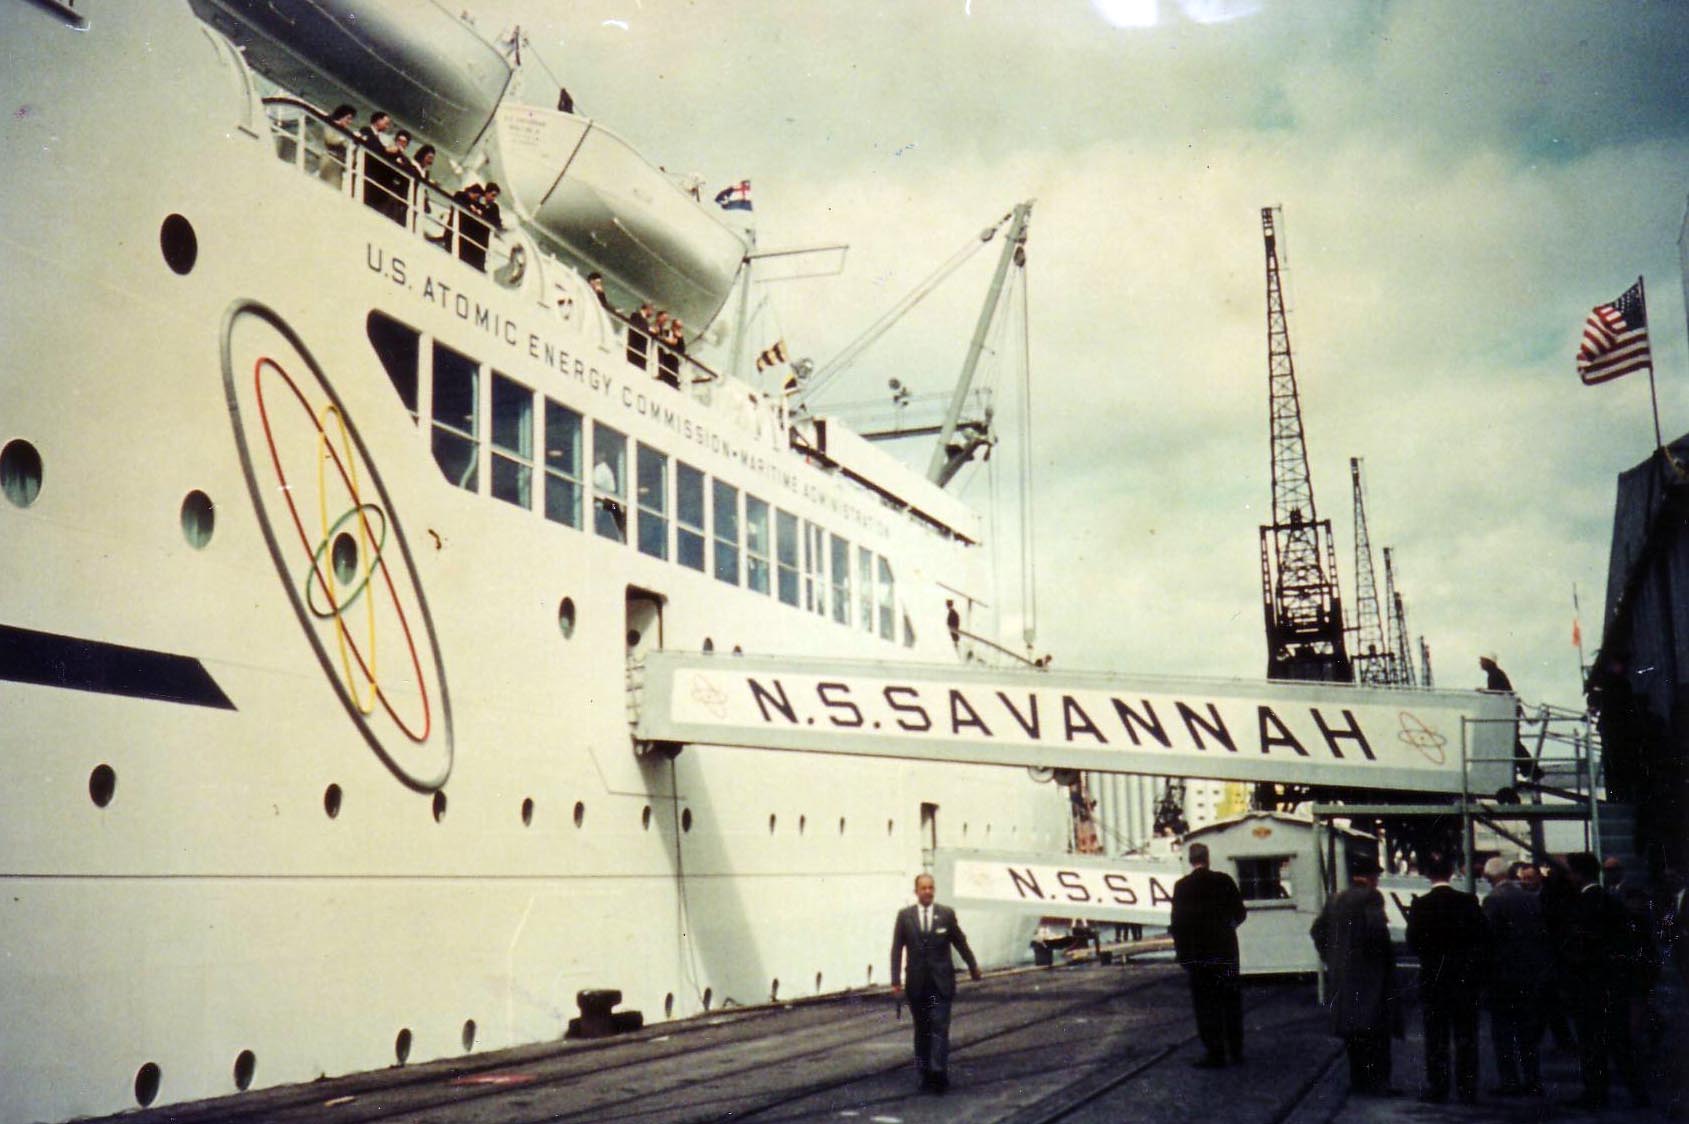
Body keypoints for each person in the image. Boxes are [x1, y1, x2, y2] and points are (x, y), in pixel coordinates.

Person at [1561, 851, 1649, 1109]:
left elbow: (1582, 946)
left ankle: (1596, 1093)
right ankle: (1637, 1092)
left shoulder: (1584, 904)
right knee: (1619, 1042)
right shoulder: (1610, 901)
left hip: (1590, 985)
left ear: (1577, 874)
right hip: (1612, 983)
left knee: (1591, 1043)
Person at [1311, 858, 1399, 1097]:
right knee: (1377, 1032)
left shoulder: (1335, 899)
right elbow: (1376, 933)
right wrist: (1379, 961)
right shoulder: (1372, 897)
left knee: (1353, 1032)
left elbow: (1317, 931)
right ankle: (1379, 1083)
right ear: (1371, 877)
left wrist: (1333, 957)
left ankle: (1358, 1081)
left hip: (1344, 977)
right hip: (1370, 976)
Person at [1406, 851, 1488, 1104]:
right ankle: (1467, 1088)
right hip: (1464, 980)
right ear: (1452, 873)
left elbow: (1413, 943)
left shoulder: (1421, 905)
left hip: (1434, 979)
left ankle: (1438, 1086)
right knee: (1466, 1036)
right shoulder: (1468, 902)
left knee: (1436, 1037)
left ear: (1428, 874)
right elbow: (1482, 939)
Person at [890, 872, 981, 1093]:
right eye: (924, 888)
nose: (928, 892)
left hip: (940, 984)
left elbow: (960, 941)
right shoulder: (905, 916)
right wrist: (896, 983)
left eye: (931, 888)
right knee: (922, 1030)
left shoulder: (946, 914)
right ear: (916, 891)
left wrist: (972, 966)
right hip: (918, 985)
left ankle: (938, 1074)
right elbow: (897, 949)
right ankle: (924, 1075)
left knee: (939, 1027)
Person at [1169, 842, 1247, 1068]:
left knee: (1205, 1006)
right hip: (1225, 953)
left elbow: (1178, 924)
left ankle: (1215, 1053)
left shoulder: (1182, 887)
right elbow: (1240, 913)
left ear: (1190, 860)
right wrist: (1226, 928)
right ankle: (1236, 1050)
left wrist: (1183, 955)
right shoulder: (1224, 881)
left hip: (1198, 956)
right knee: (1230, 1002)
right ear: (1208, 858)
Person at [1482, 856, 1549, 1096]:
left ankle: (1509, 1081)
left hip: (1502, 977)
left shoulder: (1493, 901)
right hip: (1529, 974)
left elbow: (1487, 939)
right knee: (1527, 1033)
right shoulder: (1530, 899)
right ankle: (1533, 1079)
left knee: (1503, 1033)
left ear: (1489, 877)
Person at [1479, 652, 1538, 780]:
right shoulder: (1495, 674)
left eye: (1482, 660)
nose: (1480, 663)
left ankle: (1532, 770)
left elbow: (1499, 693)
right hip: (1510, 711)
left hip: (1509, 712)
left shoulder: (1495, 675)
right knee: (1512, 742)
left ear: (1489, 662)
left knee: (1512, 742)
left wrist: (1485, 692)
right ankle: (1530, 769)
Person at [452, 183, 490, 270]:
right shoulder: (460, 195)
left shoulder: (475, 203)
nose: (477, 200)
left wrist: (478, 211)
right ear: (471, 192)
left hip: (463, 236)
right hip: (458, 232)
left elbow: (482, 210)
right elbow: (460, 201)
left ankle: (479, 262)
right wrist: (471, 207)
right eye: (477, 197)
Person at [321, 103, 355, 187]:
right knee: (329, 186)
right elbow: (330, 140)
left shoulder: (345, 131)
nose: (349, 122)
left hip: (339, 163)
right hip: (330, 159)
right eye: (348, 118)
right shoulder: (330, 125)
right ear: (341, 116)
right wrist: (343, 139)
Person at [626, 300, 653, 370]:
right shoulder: (636, 315)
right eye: (651, 310)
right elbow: (636, 329)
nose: (652, 313)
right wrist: (649, 330)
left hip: (641, 352)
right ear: (648, 308)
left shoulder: (645, 321)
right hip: (635, 350)